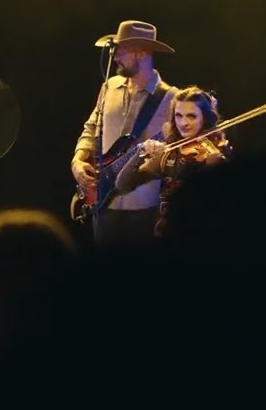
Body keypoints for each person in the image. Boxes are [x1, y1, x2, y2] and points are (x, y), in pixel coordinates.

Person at [70, 20, 179, 246]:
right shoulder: (109, 86)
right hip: (103, 203)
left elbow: (177, 146)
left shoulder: (171, 98)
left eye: (121, 50)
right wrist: (78, 161)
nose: (115, 56)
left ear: (142, 53)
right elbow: (91, 129)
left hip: (142, 206)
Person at [115, 86, 232, 238]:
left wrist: (213, 169)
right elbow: (123, 184)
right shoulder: (168, 154)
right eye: (179, 116)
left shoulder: (216, 151)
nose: (183, 123)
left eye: (191, 116)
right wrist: (141, 152)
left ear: (205, 117)